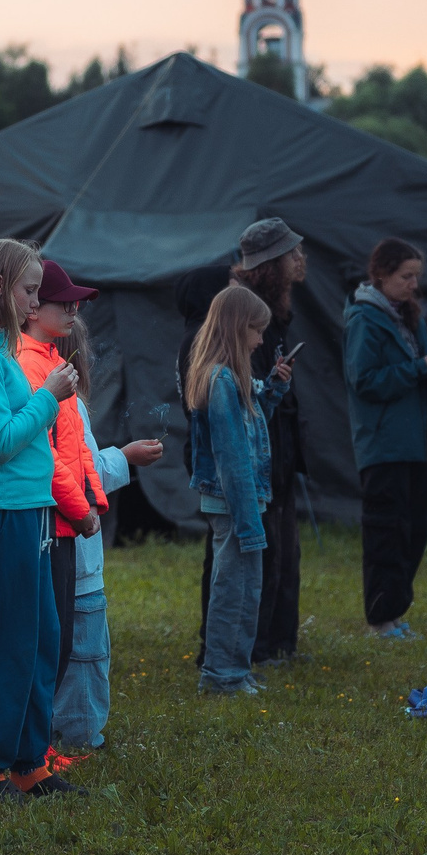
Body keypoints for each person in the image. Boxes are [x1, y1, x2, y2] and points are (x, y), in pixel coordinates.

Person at [0, 238, 81, 798]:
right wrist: (49, 396)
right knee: (7, 639)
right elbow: (1, 441)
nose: (35, 299)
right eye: (29, 288)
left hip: (29, 508)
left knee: (41, 636)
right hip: (0, 510)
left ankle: (29, 764)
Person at [53, 315, 161, 753]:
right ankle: (79, 734)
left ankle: (62, 728)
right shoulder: (65, 403)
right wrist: (126, 456)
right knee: (85, 651)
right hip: (77, 557)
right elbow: (80, 474)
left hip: (70, 552)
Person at [344, 237, 427, 638]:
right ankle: (378, 618)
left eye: (416, 277)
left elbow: (409, 376)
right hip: (383, 445)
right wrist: (416, 370)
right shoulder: (364, 320)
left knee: (413, 532)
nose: (413, 285)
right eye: (406, 276)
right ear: (381, 274)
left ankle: (394, 612)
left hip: (415, 444)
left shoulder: (411, 321)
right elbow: (364, 381)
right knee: (385, 532)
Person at [14, 262, 108, 721]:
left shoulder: (52, 360)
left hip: (64, 522)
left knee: (58, 639)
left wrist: (92, 503)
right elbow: (42, 455)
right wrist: (80, 509)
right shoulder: (31, 365)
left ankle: (37, 744)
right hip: (48, 520)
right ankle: (30, 749)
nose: (74, 309)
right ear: (32, 309)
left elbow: (74, 444)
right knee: (45, 641)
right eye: (62, 301)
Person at [189, 284, 276, 696]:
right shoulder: (221, 381)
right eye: (256, 331)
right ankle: (221, 675)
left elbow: (250, 433)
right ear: (238, 328)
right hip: (233, 504)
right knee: (233, 591)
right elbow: (232, 458)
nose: (260, 340)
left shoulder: (231, 380)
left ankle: (235, 671)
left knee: (245, 588)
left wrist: (272, 390)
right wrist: (248, 520)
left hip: (240, 503)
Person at [232, 218, 310, 664]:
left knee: (286, 550)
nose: (300, 261)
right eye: (290, 254)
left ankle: (281, 642)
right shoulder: (247, 312)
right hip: (258, 454)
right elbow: (245, 390)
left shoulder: (278, 311)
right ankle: (256, 648)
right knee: (265, 551)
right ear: (270, 265)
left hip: (279, 451)